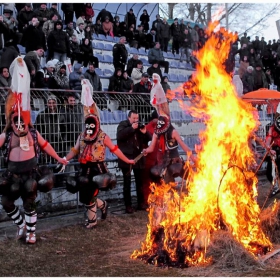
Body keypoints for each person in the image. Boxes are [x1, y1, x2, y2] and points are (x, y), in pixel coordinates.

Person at [0, 57, 68, 244]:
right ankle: (20, 224)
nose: (19, 123)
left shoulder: (32, 132)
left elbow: (46, 145)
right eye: (16, 121)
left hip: (30, 173)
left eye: (22, 120)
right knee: (6, 201)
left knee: (30, 201)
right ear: (11, 121)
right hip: (12, 175)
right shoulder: (6, 135)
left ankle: (31, 233)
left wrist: (60, 159)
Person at [64, 81, 135, 228]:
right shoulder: (82, 136)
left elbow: (115, 149)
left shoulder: (103, 136)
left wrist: (127, 160)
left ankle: (92, 221)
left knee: (90, 195)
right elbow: (75, 150)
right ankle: (103, 206)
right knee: (85, 195)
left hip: (97, 168)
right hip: (84, 168)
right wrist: (64, 159)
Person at [117, 110, 152, 213]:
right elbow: (120, 136)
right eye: (134, 118)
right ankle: (128, 205)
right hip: (126, 158)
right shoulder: (123, 125)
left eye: (137, 118)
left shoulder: (140, 126)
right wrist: (132, 128)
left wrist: (145, 132)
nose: (136, 120)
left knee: (139, 182)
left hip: (138, 157)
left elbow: (149, 140)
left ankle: (141, 203)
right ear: (129, 118)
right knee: (126, 182)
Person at [35, 95, 63, 164]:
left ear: (56, 103)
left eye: (53, 102)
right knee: (45, 164)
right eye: (49, 103)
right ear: (47, 103)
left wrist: (62, 140)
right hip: (45, 143)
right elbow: (37, 129)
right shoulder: (41, 115)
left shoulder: (61, 115)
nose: (51, 105)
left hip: (57, 144)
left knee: (57, 163)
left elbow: (64, 130)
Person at [265, 114, 280, 197]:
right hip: (274, 152)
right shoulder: (272, 129)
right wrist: (269, 149)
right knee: (269, 173)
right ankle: (276, 187)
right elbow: (268, 141)